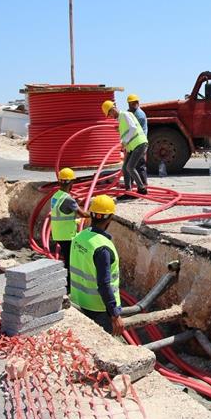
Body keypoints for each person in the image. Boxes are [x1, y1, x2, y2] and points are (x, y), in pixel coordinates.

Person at [69, 194, 124, 336]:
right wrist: (115, 314)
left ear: (91, 215)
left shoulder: (79, 237)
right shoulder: (103, 247)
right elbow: (104, 284)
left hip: (78, 301)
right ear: (110, 218)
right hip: (99, 308)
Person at [50, 167, 90, 293]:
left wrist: (75, 221)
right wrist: (93, 214)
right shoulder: (68, 199)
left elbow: (62, 214)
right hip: (67, 236)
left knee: (67, 259)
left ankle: (66, 285)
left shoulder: (56, 196)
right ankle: (68, 287)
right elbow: (83, 214)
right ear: (71, 183)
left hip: (58, 233)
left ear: (60, 182)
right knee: (70, 262)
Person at [102, 100, 148, 196]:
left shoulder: (124, 114)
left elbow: (133, 128)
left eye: (109, 114)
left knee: (130, 167)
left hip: (139, 143)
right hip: (133, 146)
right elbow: (127, 131)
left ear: (112, 109)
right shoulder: (120, 119)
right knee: (125, 168)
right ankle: (128, 191)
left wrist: (125, 141)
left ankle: (142, 188)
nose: (110, 117)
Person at [127, 94, 148, 188]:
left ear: (137, 103)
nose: (130, 106)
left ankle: (143, 184)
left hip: (140, 142)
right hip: (134, 143)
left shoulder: (139, 115)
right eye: (129, 104)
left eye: (132, 104)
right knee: (131, 165)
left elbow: (133, 129)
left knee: (139, 164)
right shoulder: (132, 112)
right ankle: (133, 183)